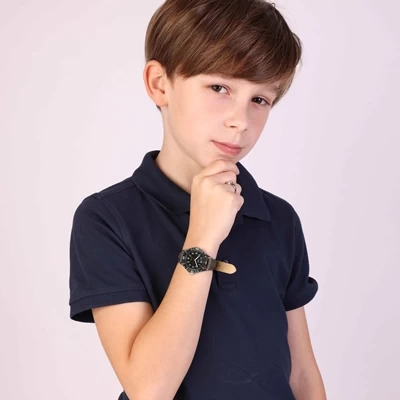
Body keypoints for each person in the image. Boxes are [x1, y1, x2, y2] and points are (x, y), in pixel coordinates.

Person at [69, 0, 327, 399]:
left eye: (260, 99)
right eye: (220, 88)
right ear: (160, 84)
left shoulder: (278, 218)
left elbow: (303, 375)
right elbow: (150, 389)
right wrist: (203, 239)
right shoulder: (107, 218)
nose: (240, 121)